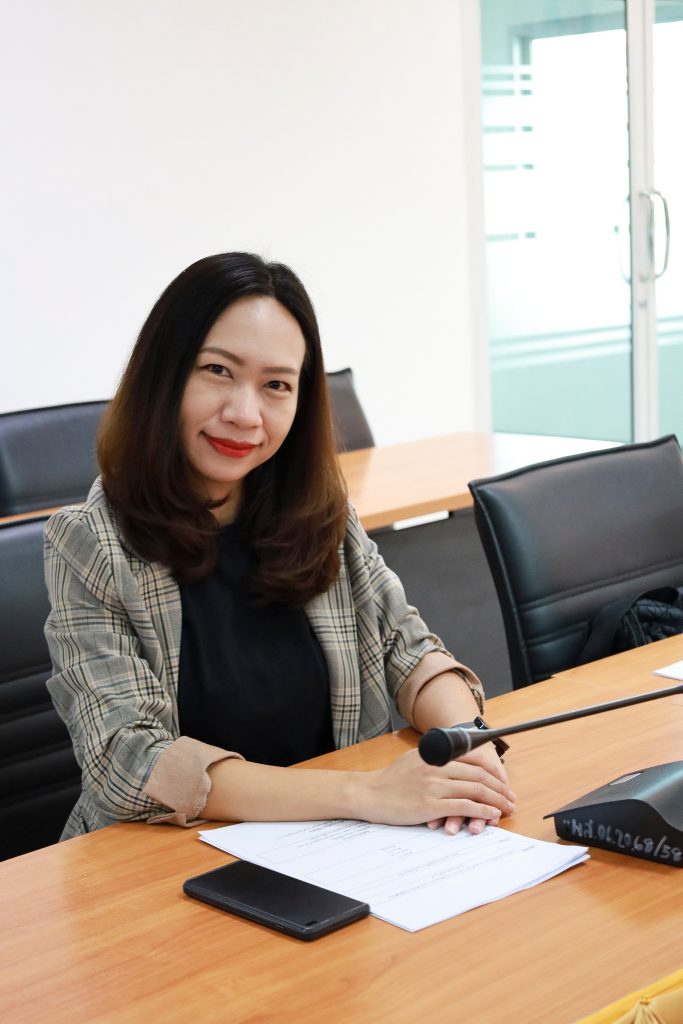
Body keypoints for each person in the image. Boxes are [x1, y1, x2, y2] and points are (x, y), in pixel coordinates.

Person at [44, 252, 515, 841]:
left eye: (276, 385)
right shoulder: (90, 542)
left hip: (334, 845)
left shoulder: (320, 515)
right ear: (163, 374)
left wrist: (470, 744)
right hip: (167, 855)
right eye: (218, 370)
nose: (245, 414)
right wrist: (364, 794)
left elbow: (409, 650)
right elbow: (132, 761)